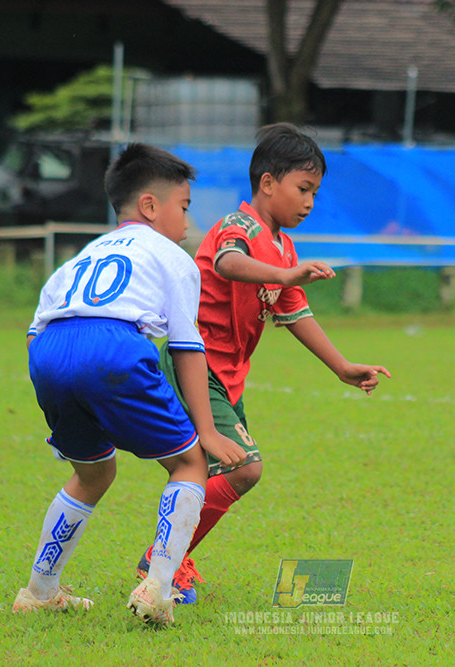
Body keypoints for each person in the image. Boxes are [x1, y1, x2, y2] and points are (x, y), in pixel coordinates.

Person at [134, 123, 391, 602]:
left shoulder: (283, 246)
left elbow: (296, 312)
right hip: (196, 365)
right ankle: (161, 560)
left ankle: (173, 560)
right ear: (268, 183)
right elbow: (228, 263)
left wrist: (342, 367)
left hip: (227, 377)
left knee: (214, 471)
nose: (310, 201)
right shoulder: (240, 227)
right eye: (303, 188)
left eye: (315, 191)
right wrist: (282, 272)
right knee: (243, 469)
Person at [11, 143, 246, 628]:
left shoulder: (84, 254)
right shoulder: (172, 256)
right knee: (190, 462)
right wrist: (208, 430)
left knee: (94, 472)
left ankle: (39, 590)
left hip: (49, 352)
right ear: (150, 206)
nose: (187, 222)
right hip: (113, 346)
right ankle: (158, 587)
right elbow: (187, 346)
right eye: (184, 208)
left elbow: (37, 329)